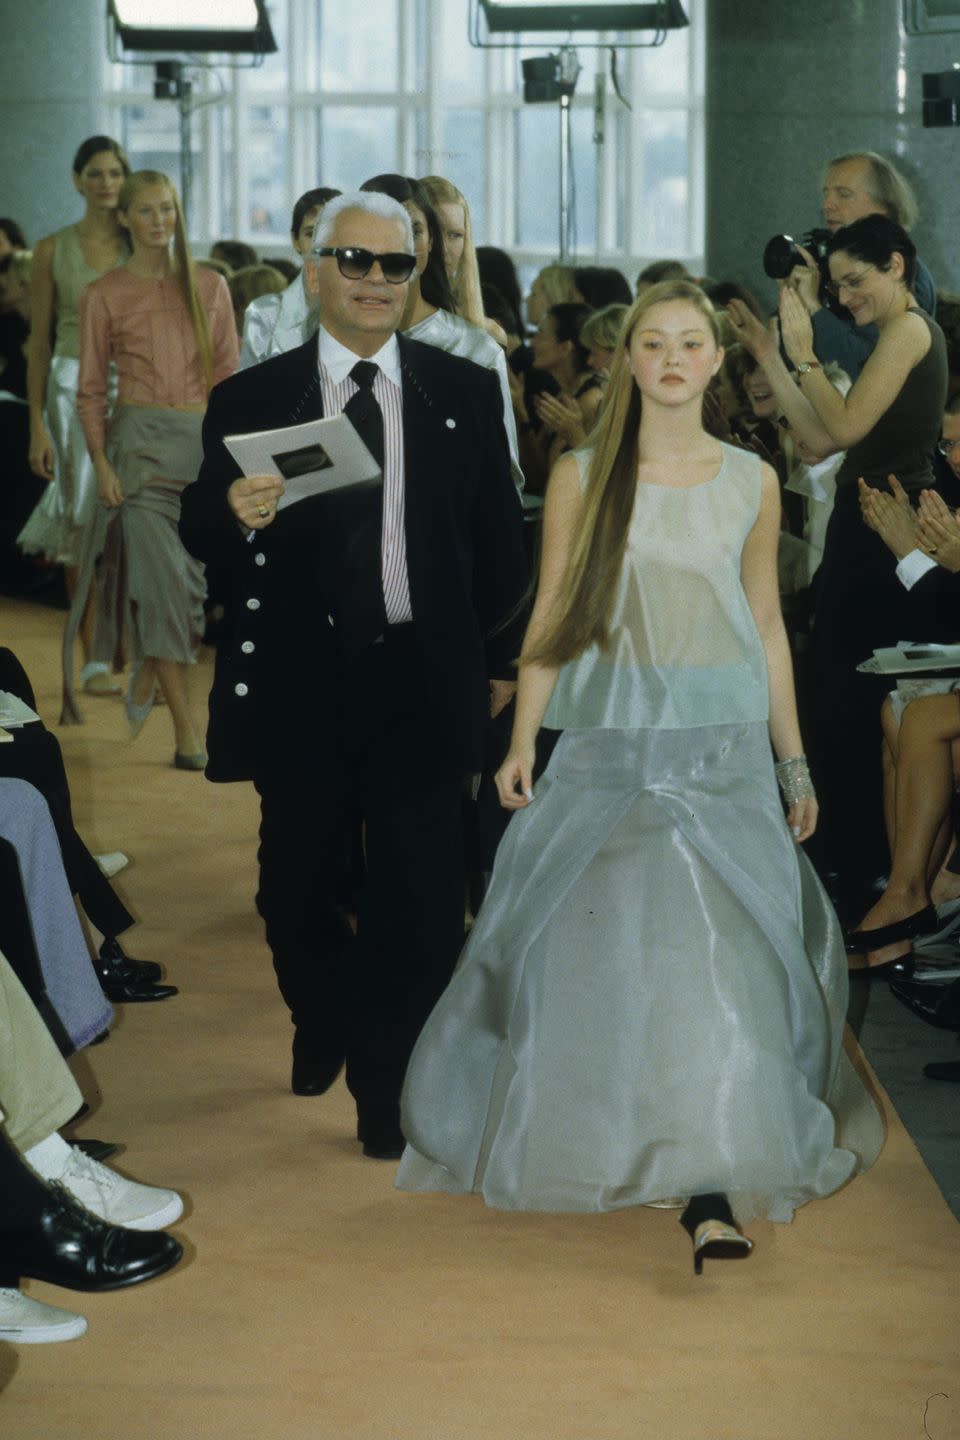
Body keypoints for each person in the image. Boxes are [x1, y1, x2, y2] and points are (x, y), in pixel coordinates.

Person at [396, 280, 883, 1274]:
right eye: (653, 342)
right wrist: (524, 739)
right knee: (604, 954)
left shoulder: (753, 480)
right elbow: (553, 619)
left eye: (691, 342)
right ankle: (626, 1142)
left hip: (721, 747)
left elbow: (766, 631)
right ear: (629, 360)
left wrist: (792, 758)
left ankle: (708, 1180)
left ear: (715, 361)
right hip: (613, 741)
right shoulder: (583, 474)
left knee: (721, 962)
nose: (671, 357)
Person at [178, 191, 528, 1161]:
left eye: (396, 264)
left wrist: (491, 658)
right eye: (356, 261)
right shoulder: (255, 400)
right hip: (301, 684)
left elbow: (503, 548)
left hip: (422, 677)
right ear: (317, 269)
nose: (376, 281)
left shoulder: (455, 393)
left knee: (417, 901)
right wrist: (234, 511)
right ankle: (320, 1010)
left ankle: (387, 1088)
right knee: (295, 888)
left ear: (416, 275)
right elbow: (197, 527)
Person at [727, 214, 948, 920]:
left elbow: (845, 426)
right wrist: (770, 352)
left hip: (889, 522)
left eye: (855, 282)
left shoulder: (911, 331)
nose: (846, 298)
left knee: (849, 699)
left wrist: (806, 353)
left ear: (898, 267)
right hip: (867, 516)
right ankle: (852, 871)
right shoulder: (897, 335)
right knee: (835, 693)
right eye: (837, 285)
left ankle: (863, 877)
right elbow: (821, 441)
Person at [70, 170, 238, 760]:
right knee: (164, 589)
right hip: (137, 453)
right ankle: (188, 734)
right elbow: (90, 391)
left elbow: (228, 381)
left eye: (167, 209)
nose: (159, 221)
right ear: (125, 217)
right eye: (146, 211)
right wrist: (100, 462)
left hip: (198, 451)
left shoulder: (211, 287)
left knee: (191, 596)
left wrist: (227, 460)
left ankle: (151, 662)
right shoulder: (103, 294)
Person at [21, 136, 130, 694]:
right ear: (76, 179)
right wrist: (36, 423)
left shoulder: (143, 245)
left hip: (132, 389)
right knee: (80, 522)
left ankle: (120, 646)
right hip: (68, 390)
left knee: (129, 525)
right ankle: (91, 651)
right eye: (95, 172)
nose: (105, 182)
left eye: (114, 172)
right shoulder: (50, 249)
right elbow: (37, 343)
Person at [360, 174, 522, 490]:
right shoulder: (338, 341)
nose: (446, 248)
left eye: (456, 234)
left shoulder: (477, 349)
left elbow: (504, 476)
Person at [784, 150, 937, 381]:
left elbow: (858, 369)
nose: (827, 205)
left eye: (843, 195)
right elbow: (803, 369)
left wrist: (813, 309)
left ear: (884, 206)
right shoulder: (826, 269)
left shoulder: (904, 278)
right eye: (825, 194)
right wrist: (790, 307)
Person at [238, 186, 341, 368]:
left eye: (331, 233)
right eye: (310, 233)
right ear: (295, 241)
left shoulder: (366, 306)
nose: (321, 244)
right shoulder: (264, 316)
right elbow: (246, 391)